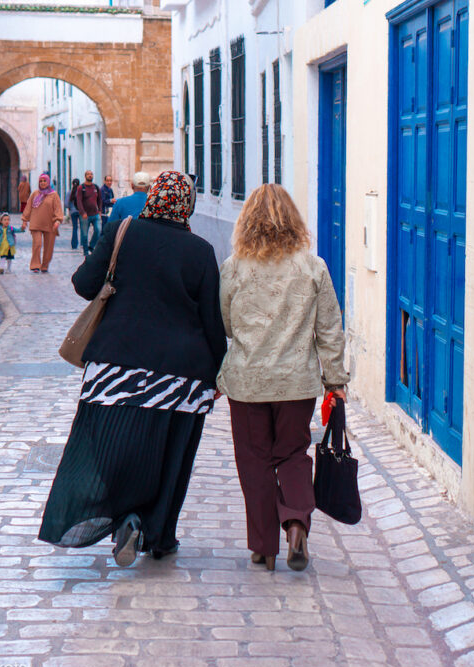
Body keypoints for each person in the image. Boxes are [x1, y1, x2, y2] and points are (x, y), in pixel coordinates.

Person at [38, 171, 227, 567]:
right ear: (187, 205)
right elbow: (212, 319)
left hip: (116, 368)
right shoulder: (200, 250)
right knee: (172, 457)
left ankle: (124, 515)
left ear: (152, 197)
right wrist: (217, 374)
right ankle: (153, 530)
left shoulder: (124, 233)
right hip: (182, 375)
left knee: (114, 449)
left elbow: (83, 283)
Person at [217, 184, 349, 572]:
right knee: (293, 454)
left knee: (253, 460)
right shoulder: (313, 266)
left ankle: (263, 547)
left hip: (247, 381)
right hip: (296, 383)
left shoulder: (234, 266)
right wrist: (336, 381)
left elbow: (225, 322)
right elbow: (330, 329)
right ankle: (295, 524)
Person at [21, 174, 64, 273]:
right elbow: (28, 208)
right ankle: (35, 265)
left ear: (48, 182)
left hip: (50, 224)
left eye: (45, 181)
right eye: (41, 181)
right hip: (36, 223)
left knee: (49, 247)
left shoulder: (54, 195)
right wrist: (24, 220)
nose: (43, 183)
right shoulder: (35, 194)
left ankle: (45, 265)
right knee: (37, 244)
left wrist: (58, 220)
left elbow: (58, 209)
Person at [77, 169, 103, 254]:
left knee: (98, 230)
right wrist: (82, 212)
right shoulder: (81, 188)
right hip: (85, 215)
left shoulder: (96, 187)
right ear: (85, 176)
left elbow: (99, 199)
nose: (90, 176)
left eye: (91, 174)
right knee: (84, 234)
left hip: (95, 214)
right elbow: (79, 201)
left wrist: (100, 210)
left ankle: (91, 246)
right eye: (88, 174)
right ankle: (85, 251)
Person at [67, 178, 83, 251]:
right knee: (83, 228)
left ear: (72, 184)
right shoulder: (81, 192)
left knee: (75, 228)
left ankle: (74, 244)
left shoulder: (69, 193)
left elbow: (66, 204)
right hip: (80, 212)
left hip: (73, 212)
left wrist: (70, 208)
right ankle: (83, 243)